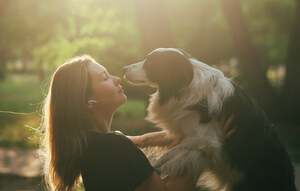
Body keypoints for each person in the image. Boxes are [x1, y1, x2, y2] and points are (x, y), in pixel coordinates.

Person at [41, 55, 235, 191]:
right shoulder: (112, 147)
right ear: (89, 102)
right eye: (105, 78)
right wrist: (204, 145)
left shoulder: (93, 146)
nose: (117, 79)